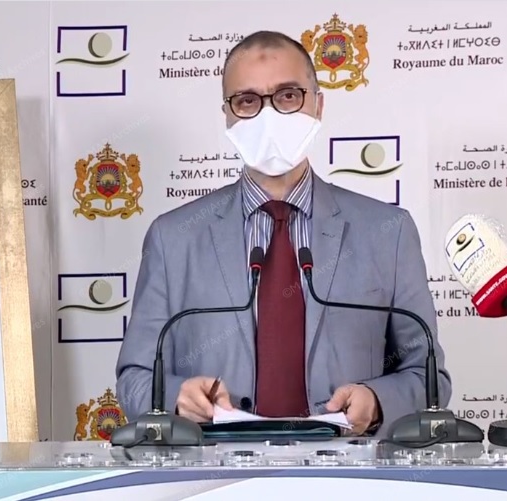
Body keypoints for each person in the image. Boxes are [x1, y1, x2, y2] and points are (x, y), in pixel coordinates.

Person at [115, 31, 451, 437]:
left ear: (318, 105)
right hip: (217, 470)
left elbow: (428, 376)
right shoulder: (172, 239)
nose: (269, 115)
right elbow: (135, 379)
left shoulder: (387, 233)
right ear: (227, 115)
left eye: (288, 96)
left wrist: (378, 401)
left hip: (348, 467)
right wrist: (174, 397)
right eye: (247, 101)